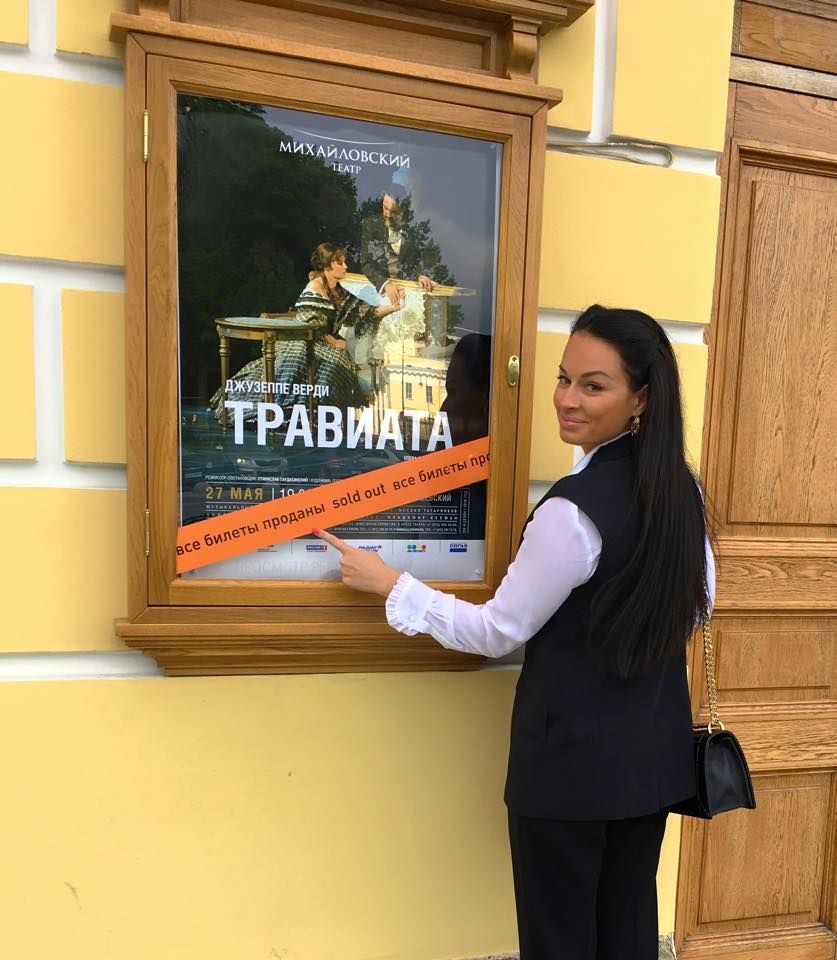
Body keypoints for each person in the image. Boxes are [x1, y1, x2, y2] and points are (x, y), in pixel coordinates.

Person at [314, 304, 716, 960]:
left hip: (567, 771)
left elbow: (496, 630)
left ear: (641, 398)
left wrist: (392, 585)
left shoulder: (572, 513)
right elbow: (697, 607)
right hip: (650, 761)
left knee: (559, 942)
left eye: (593, 385)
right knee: (627, 935)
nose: (566, 399)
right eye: (563, 378)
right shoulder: (683, 492)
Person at [210, 243, 403, 419]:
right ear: (327, 266)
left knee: (336, 364)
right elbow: (308, 324)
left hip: (324, 344)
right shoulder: (314, 287)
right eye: (340, 263)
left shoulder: (339, 291)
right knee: (307, 359)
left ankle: (315, 414)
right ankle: (283, 410)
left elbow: (366, 312)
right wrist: (334, 341)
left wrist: (393, 307)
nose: (345, 266)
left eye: (345, 262)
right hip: (304, 340)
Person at [360, 185, 445, 305]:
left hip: (409, 299)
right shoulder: (370, 225)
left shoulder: (416, 228)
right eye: (385, 208)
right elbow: (365, 263)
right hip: (375, 297)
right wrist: (384, 284)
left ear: (403, 209)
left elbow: (420, 262)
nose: (387, 214)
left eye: (394, 211)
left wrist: (421, 276)